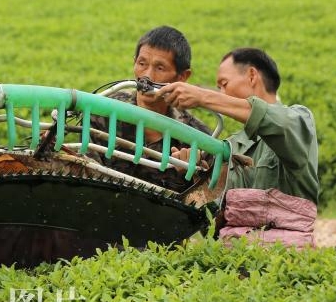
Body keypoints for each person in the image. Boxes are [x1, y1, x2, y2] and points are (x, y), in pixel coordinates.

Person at [156, 47, 319, 203]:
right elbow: (215, 211)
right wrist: (196, 173)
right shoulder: (232, 145)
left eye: (224, 84)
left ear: (252, 76)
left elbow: (280, 123)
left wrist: (204, 97)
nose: (221, 94)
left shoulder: (298, 119)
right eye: (218, 88)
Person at [89, 25, 212, 192]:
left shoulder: (198, 139)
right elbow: (85, 174)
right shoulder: (104, 111)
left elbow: (204, 204)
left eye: (160, 68)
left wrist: (189, 176)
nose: (147, 76)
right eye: (142, 63)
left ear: (182, 77)